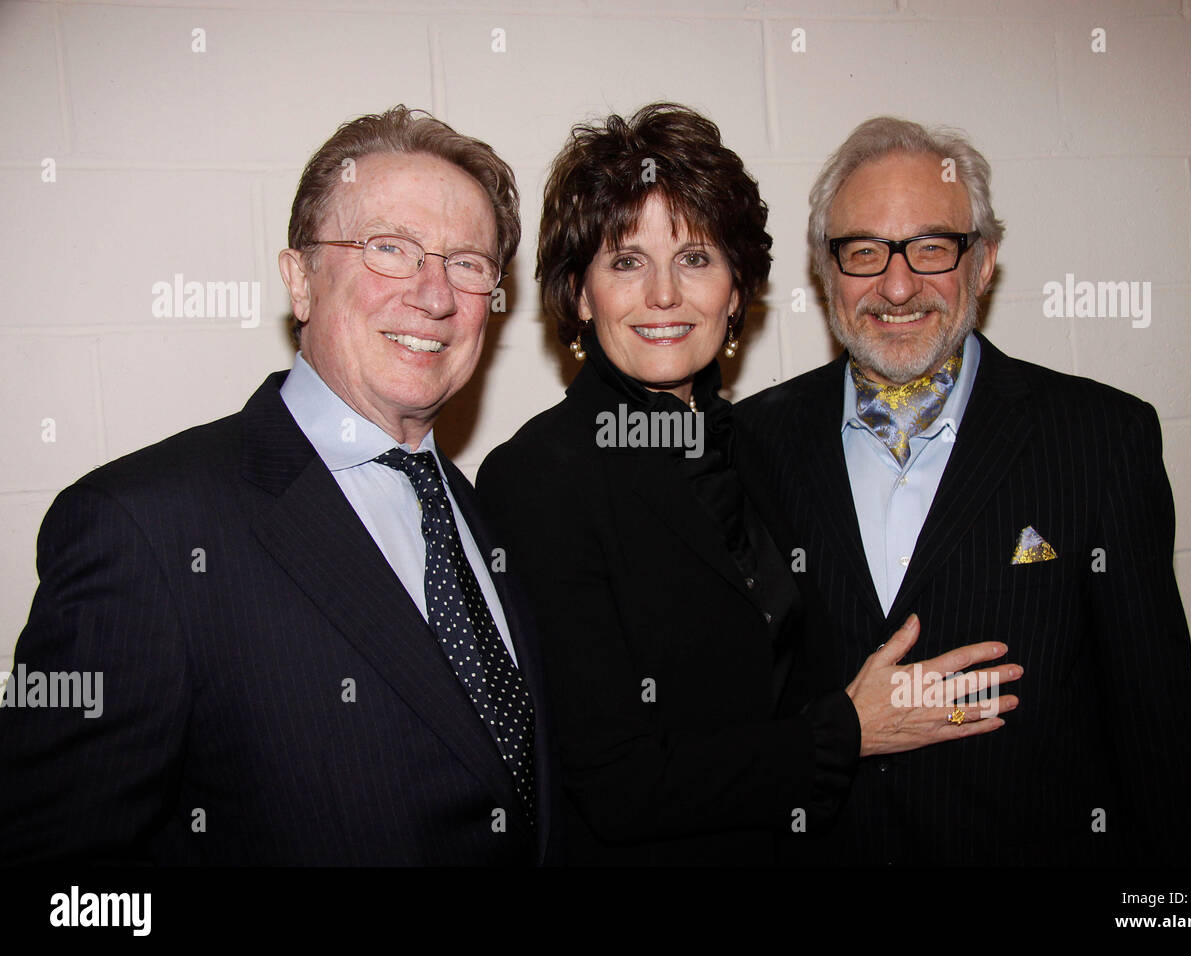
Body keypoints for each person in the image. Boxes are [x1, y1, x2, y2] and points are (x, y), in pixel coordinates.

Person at [0, 106, 554, 865]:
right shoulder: (145, 530)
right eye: (390, 248)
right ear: (299, 279)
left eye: (467, 263)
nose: (433, 295)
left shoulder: (481, 514)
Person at [475, 103, 1020, 865]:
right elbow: (615, 783)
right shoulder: (537, 478)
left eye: (696, 258)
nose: (664, 295)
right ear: (579, 294)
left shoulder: (762, 446)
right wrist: (848, 730)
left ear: (735, 292)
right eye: (626, 261)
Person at [734, 116, 1191, 866]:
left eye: (933, 247)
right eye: (863, 251)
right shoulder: (750, 444)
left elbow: (1156, 728)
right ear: (825, 270)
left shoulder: (1100, 439)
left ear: (985, 261)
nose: (897, 286)